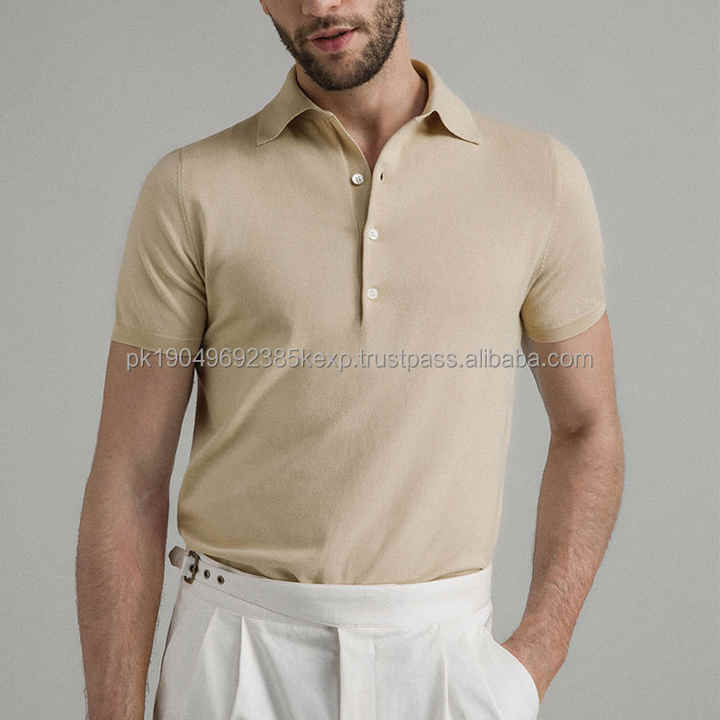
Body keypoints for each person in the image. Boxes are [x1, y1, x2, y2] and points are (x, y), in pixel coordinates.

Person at [76, 2, 625, 719]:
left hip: (445, 666)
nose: (319, 5)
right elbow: (129, 477)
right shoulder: (190, 188)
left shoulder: (536, 178)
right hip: (236, 661)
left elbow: (588, 428)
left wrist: (533, 660)